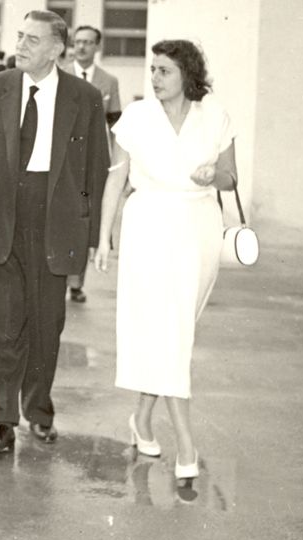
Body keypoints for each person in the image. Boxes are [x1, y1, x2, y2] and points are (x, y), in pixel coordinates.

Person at [0, 10, 109, 452]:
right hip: (5, 217)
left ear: (56, 49)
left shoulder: (83, 97)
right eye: (20, 37)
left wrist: (92, 237)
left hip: (56, 218)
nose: (21, 46)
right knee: (4, 327)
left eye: (32, 40)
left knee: (48, 326)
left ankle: (39, 411)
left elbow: (95, 169)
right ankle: (1, 420)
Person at [93, 40, 237, 481]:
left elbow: (231, 179)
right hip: (149, 228)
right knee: (170, 333)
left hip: (199, 230)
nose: (154, 78)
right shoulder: (136, 118)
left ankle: (140, 417)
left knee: (175, 331)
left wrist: (215, 174)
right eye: (152, 70)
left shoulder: (214, 115)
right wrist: (103, 239)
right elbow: (115, 182)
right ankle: (186, 446)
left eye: (164, 71)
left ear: (187, 75)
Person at [63, 25, 124, 304]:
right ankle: (58, 277)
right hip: (63, 160)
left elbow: (115, 124)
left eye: (88, 43)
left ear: (97, 47)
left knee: (85, 219)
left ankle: (76, 283)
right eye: (78, 42)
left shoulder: (109, 81)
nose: (82, 47)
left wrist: (113, 163)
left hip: (92, 161)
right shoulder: (60, 73)